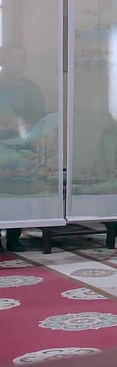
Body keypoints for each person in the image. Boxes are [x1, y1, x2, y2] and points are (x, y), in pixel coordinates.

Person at [0, 45, 45, 253]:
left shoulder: (31, 88)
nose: (16, 62)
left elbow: (39, 118)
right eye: (12, 57)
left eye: (20, 58)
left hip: (21, 147)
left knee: (18, 192)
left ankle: (14, 237)